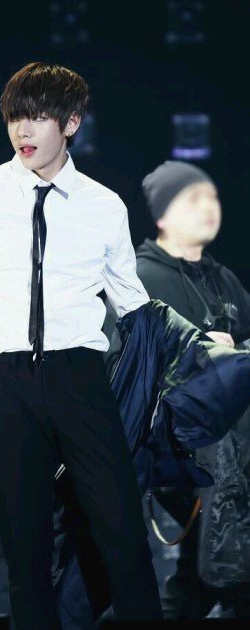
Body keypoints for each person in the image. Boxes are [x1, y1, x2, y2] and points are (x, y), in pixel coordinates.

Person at [0, 61, 162, 627]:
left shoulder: (104, 205)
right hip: (7, 385)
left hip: (82, 380)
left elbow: (135, 304)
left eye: (39, 117)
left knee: (123, 536)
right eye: (14, 118)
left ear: (71, 123)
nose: (22, 130)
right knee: (24, 550)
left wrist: (175, 363)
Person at [137, 159, 250, 618]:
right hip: (177, 448)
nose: (208, 207)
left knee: (204, 574)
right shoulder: (140, 278)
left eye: (212, 197)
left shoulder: (223, 280)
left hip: (235, 444)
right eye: (193, 199)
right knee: (222, 557)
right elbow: (128, 364)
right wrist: (199, 349)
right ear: (163, 214)